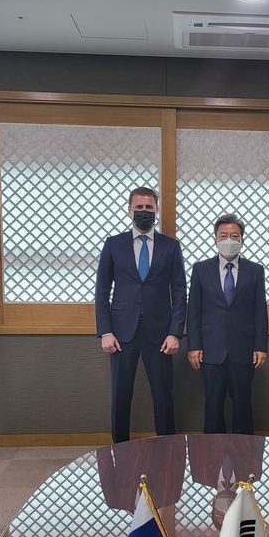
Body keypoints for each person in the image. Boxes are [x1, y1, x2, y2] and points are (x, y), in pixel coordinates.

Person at [95, 187, 186, 443]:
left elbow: (180, 292)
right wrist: (106, 331)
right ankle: (120, 450)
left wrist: (175, 333)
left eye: (149, 207)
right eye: (139, 207)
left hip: (160, 334)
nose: (144, 212)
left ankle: (168, 449)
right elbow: (102, 290)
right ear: (130, 210)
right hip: (121, 333)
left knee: (163, 396)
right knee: (121, 396)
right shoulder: (113, 244)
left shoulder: (171, 246)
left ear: (156, 210)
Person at [187, 213, 268, 434]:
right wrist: (194, 346)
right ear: (215, 238)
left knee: (243, 405)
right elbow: (194, 310)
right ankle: (212, 453)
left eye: (234, 236)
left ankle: (245, 452)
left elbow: (260, 310)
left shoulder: (255, 270)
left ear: (242, 239)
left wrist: (261, 346)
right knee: (213, 406)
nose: (229, 240)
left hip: (244, 349)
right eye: (223, 235)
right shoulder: (200, 269)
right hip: (210, 349)